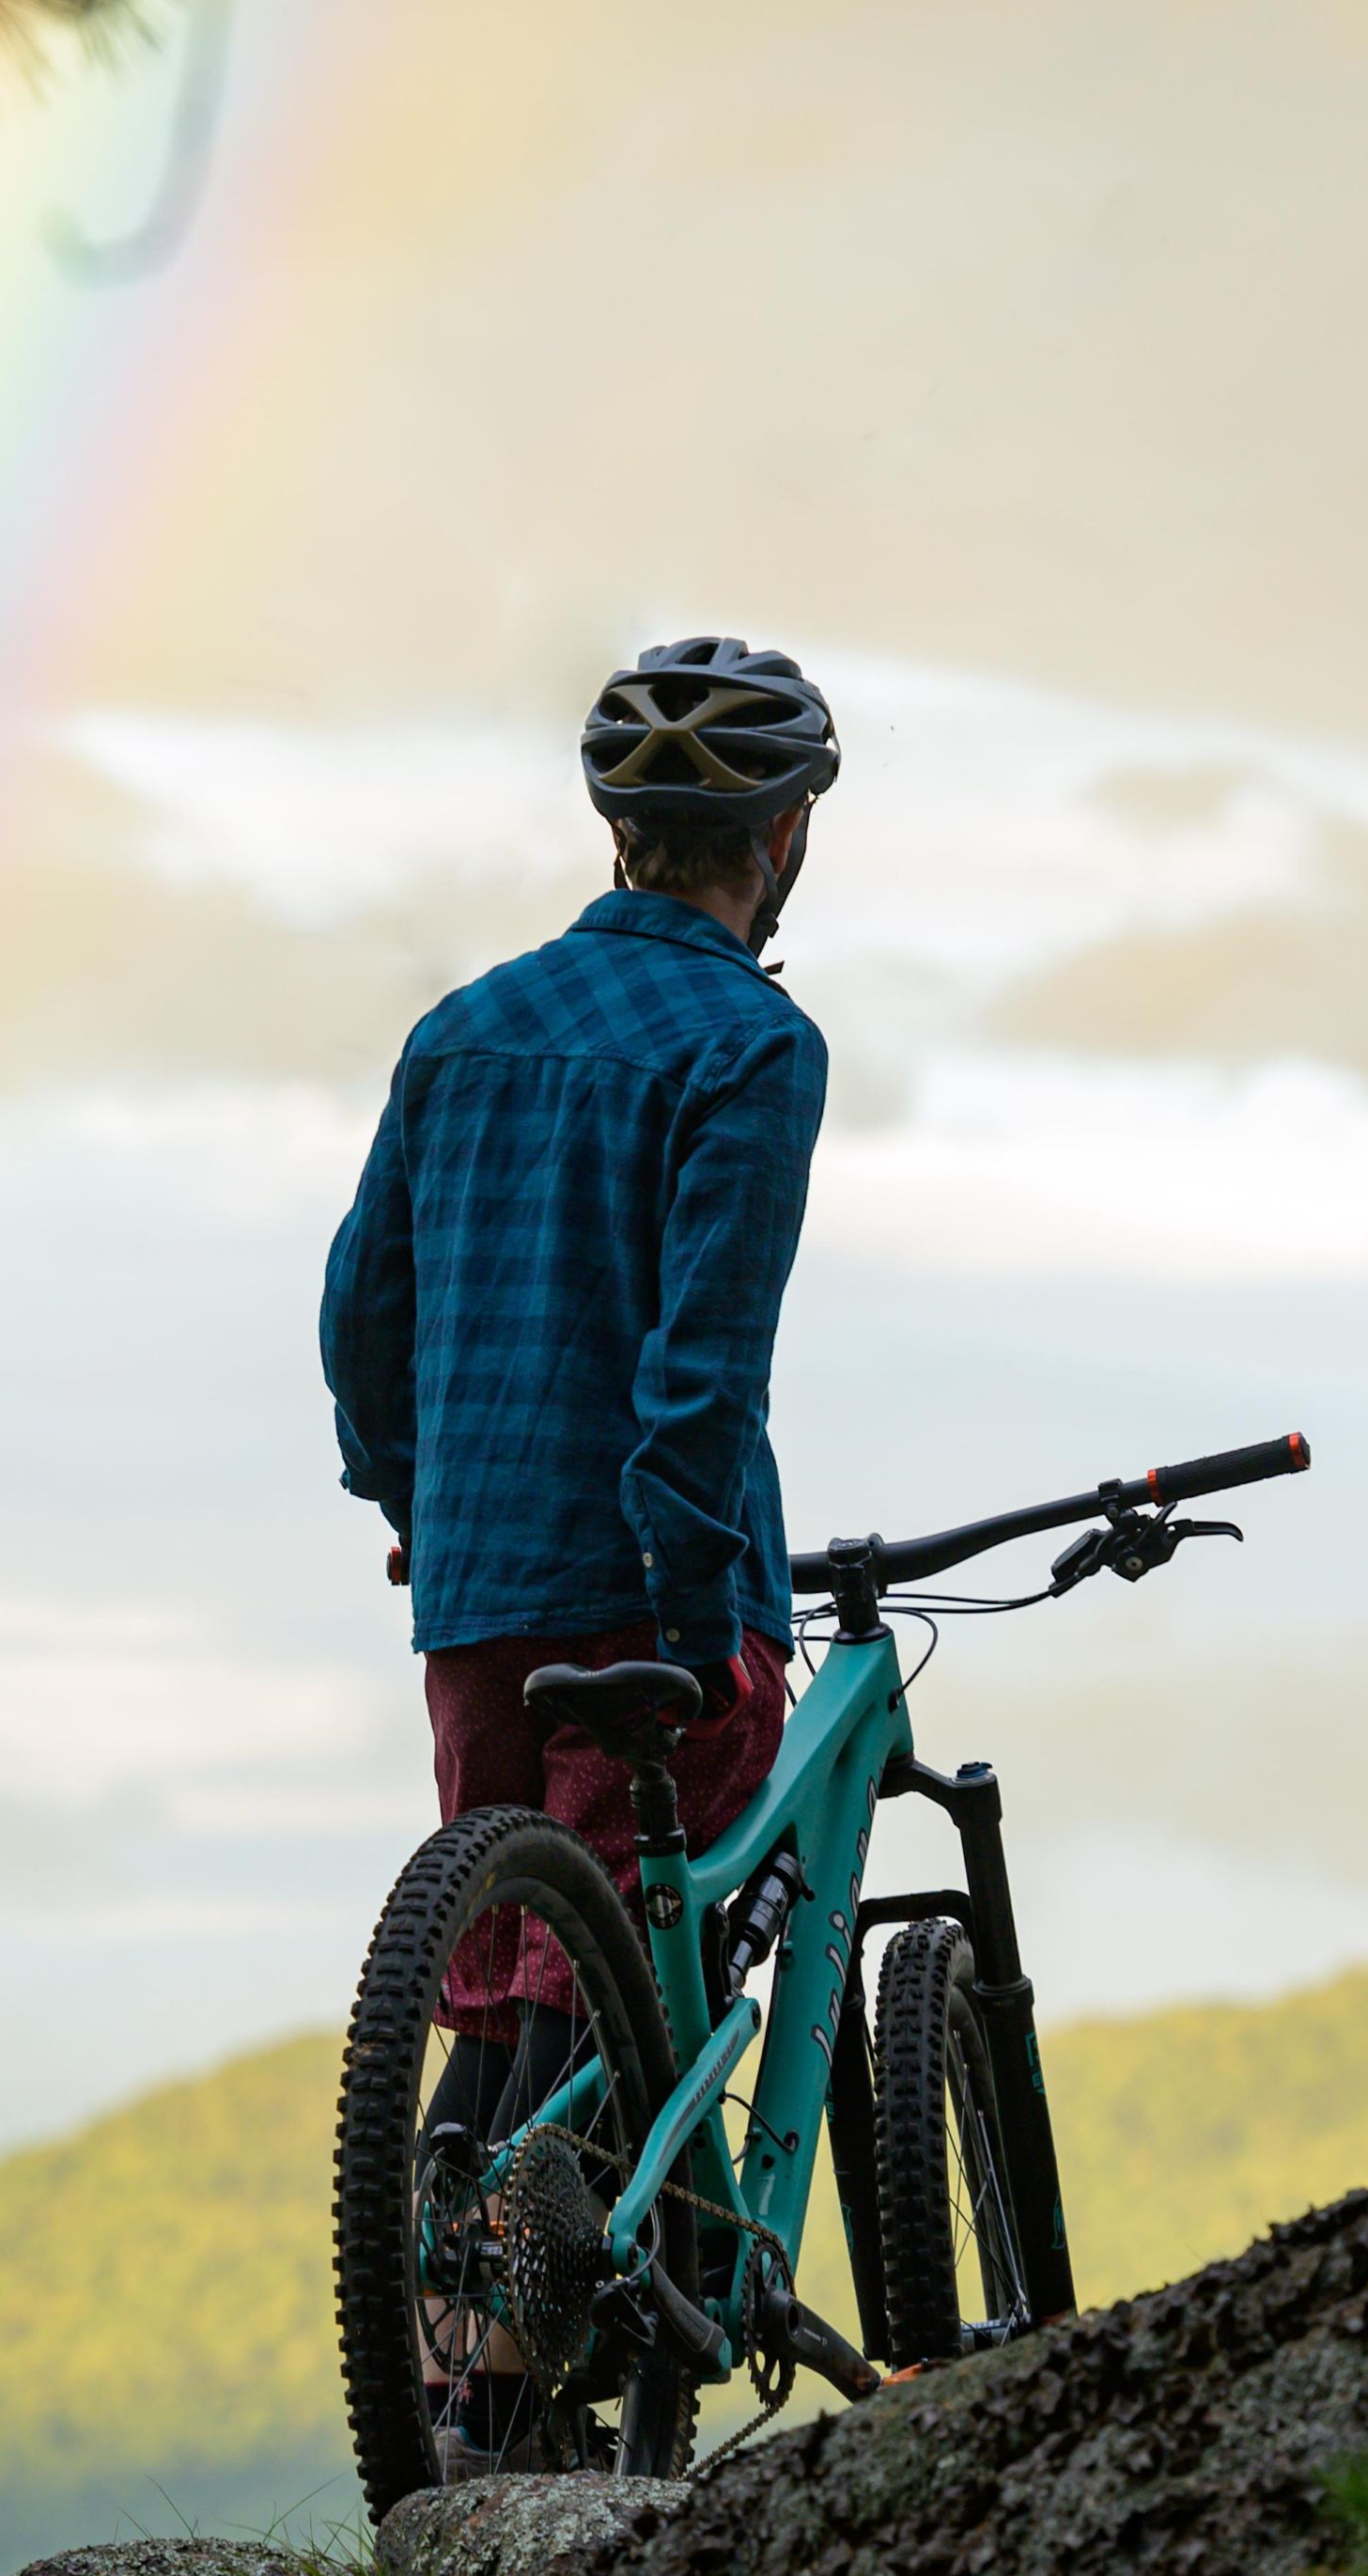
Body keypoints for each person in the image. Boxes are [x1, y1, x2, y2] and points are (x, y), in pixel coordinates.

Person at [319, 636, 834, 2459]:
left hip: (472, 1589)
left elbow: (357, 1308)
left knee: (502, 1945)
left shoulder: (455, 1034)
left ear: (617, 828)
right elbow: (701, 1374)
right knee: (617, 1939)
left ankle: (457, 2345)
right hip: (641, 1584)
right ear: (773, 841)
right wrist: (704, 1614)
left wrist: (408, 1498)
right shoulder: (752, 1048)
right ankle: (525, 2331)